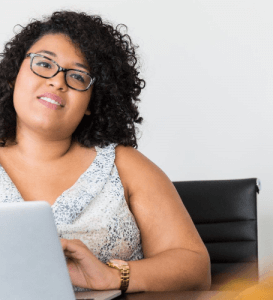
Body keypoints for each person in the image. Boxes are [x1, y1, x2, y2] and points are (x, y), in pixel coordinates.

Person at [0, 11, 211, 292]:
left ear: (91, 102)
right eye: (44, 63)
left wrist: (112, 276)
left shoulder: (125, 166)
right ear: (15, 75)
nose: (57, 81)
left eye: (77, 76)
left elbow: (195, 267)